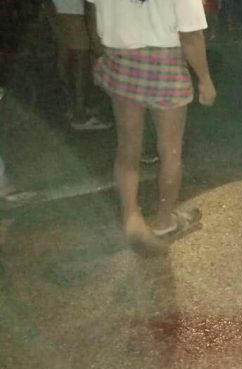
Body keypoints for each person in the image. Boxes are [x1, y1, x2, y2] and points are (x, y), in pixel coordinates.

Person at [87, 0, 217, 255]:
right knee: (170, 150)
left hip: (121, 60)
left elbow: (93, 15)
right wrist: (205, 80)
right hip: (165, 63)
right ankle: (164, 221)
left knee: (128, 147)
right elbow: (191, 35)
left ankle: (131, 217)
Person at [46, 0, 111, 131]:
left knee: (66, 57)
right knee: (80, 62)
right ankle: (79, 113)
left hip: (61, 9)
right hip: (75, 11)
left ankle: (74, 106)